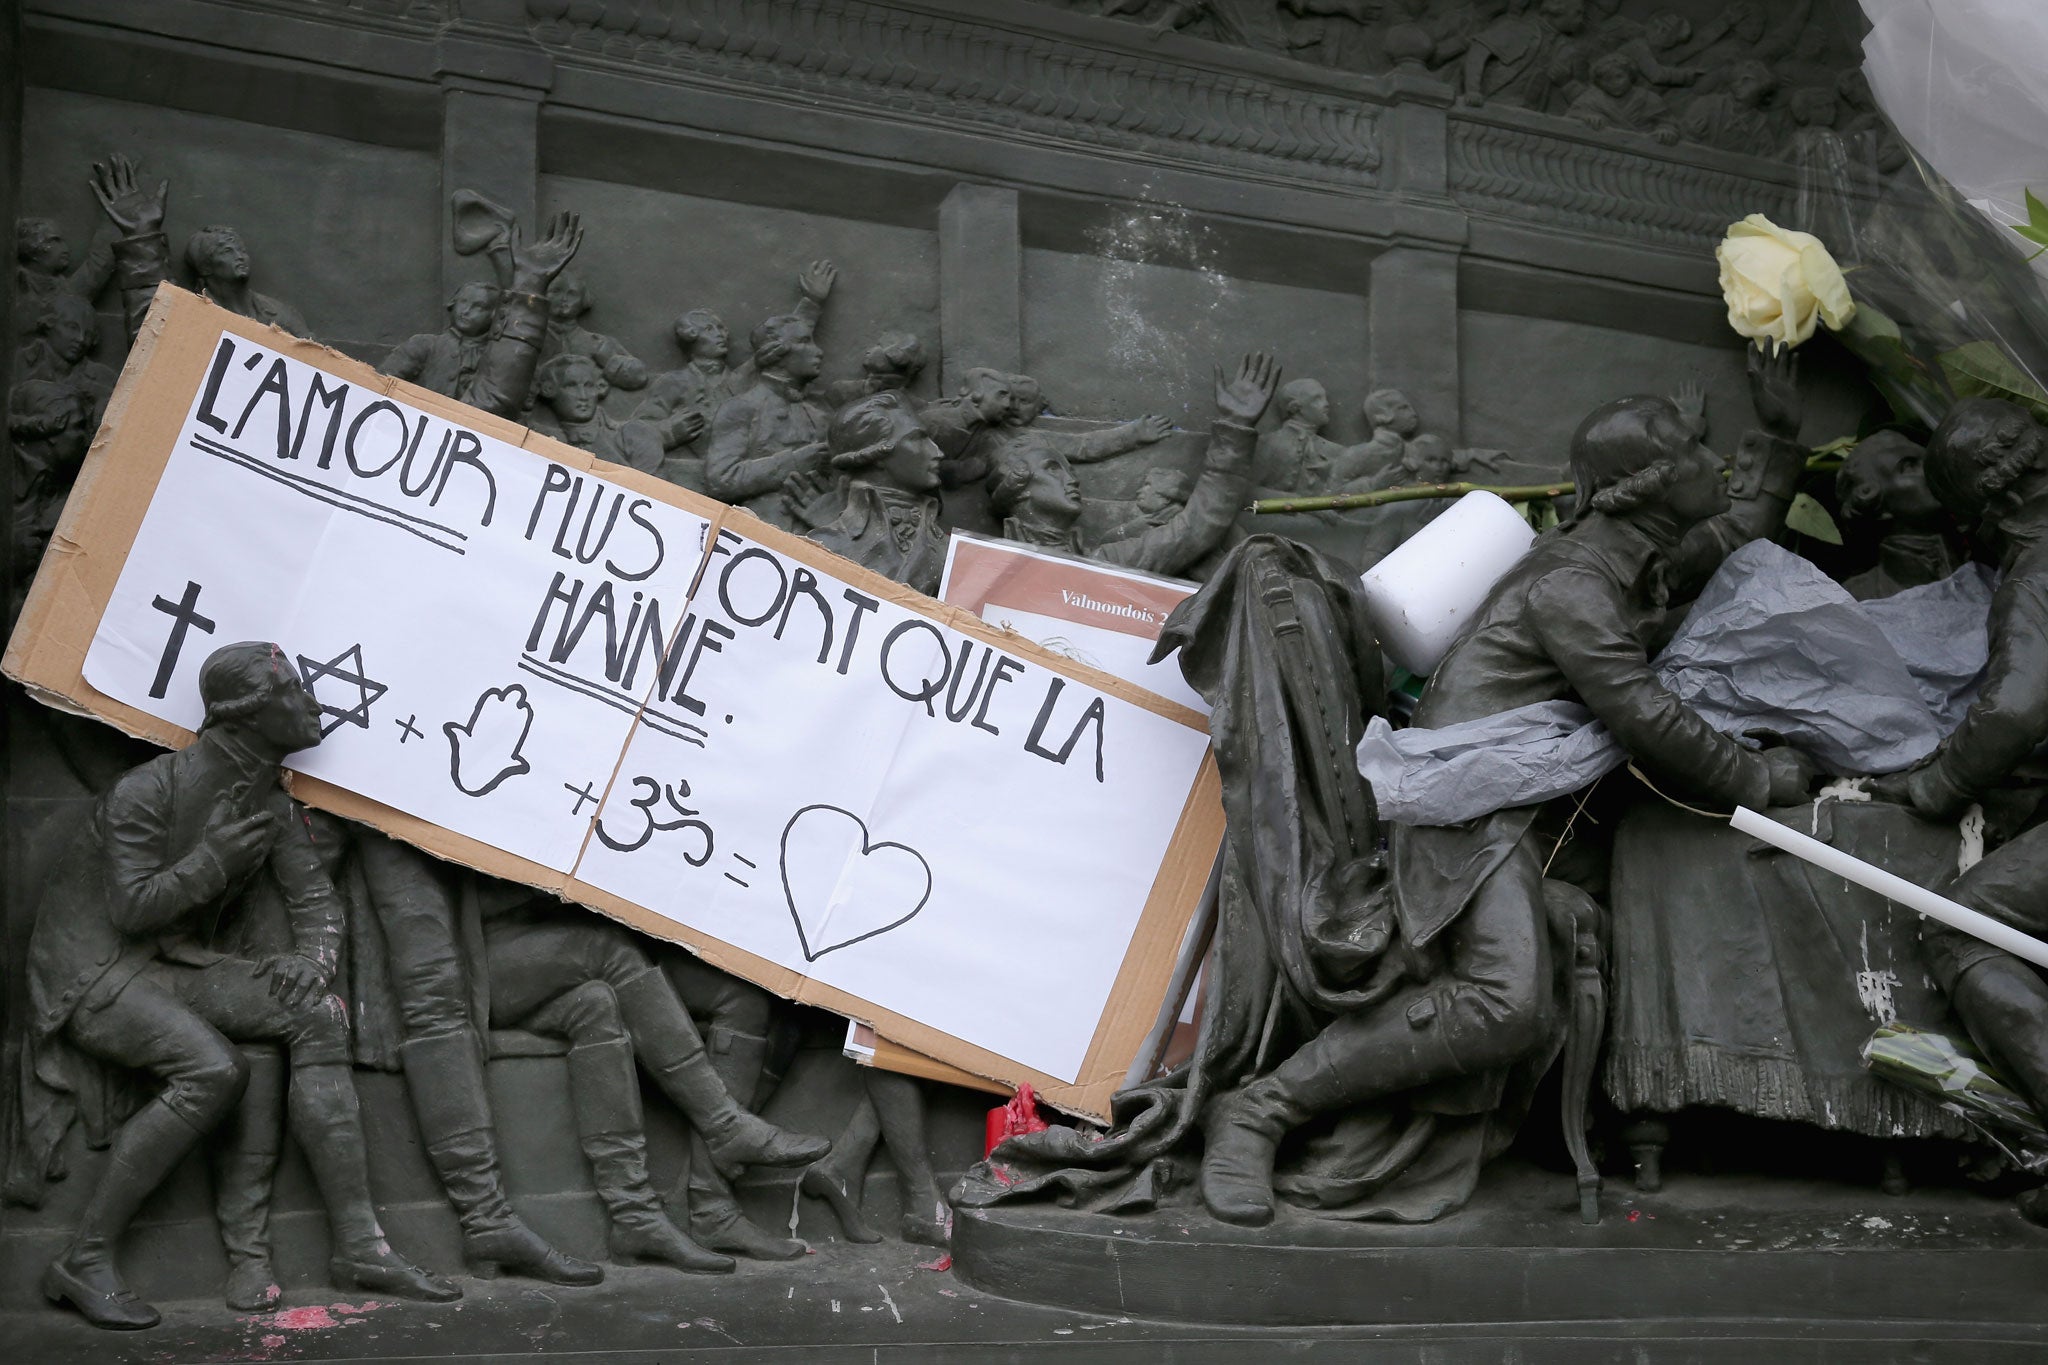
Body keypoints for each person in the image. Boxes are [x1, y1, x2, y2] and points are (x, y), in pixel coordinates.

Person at [1194, 342, 1817, 1225]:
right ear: (1642, 486)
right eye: (1689, 451)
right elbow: (1644, 717)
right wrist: (1762, 775)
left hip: (1537, 814)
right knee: (1507, 999)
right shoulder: (1573, 585)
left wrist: (1780, 437)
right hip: (1470, 807)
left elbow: (1733, 526)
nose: (1710, 463)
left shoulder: (1631, 561)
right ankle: (1259, 1110)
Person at [21, 644, 456, 1329]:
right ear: (246, 712)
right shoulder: (148, 790)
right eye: (293, 690)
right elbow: (129, 909)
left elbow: (315, 901)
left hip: (171, 963)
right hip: (93, 974)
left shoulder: (267, 801)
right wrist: (211, 861)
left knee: (313, 1012)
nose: (313, 701)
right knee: (213, 1068)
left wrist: (312, 961)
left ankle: (361, 1246)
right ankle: (85, 1256)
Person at [1867, 398, 2048, 1225]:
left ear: (1991, 509)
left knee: (1963, 926)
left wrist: (1936, 786)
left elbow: (2014, 712)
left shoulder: (2035, 574)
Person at [474, 890, 829, 1273]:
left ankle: (714, 1209)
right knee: (607, 957)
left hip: (587, 919)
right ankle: (721, 1129)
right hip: (487, 949)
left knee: (742, 997)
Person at [988, 353, 1276, 578]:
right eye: (1053, 468)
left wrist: (1235, 428)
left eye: (1070, 470)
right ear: (1019, 486)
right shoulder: (980, 562)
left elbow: (1196, 527)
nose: (1072, 480)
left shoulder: (1105, 562)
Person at [634, 260, 837, 459]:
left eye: (721, 328)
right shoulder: (674, 382)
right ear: (689, 335)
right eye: (708, 329)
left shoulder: (744, 380)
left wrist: (812, 303)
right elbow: (636, 432)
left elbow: (786, 344)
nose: (720, 334)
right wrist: (668, 433)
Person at [790, 391, 949, 593]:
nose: (937, 452)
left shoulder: (951, 550)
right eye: (917, 439)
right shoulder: (826, 542)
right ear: (877, 453)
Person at [704, 311, 833, 527]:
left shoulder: (819, 417)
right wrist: (793, 462)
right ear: (776, 353)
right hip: (757, 536)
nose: (818, 352)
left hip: (817, 536)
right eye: (804, 342)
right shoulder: (741, 407)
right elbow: (720, 479)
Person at [1834, 430, 1959, 600]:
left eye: (1928, 460)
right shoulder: (1860, 597)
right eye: (1908, 467)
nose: (1930, 471)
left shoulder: (1987, 543)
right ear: (1877, 505)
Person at [533, 352, 664, 473]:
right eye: (571, 386)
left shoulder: (635, 435)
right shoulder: (537, 436)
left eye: (589, 386)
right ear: (549, 390)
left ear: (600, 388)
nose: (583, 396)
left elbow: (653, 492)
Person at [379, 281, 502, 399]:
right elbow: (381, 382)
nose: (466, 311)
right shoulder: (424, 344)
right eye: (463, 302)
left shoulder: (498, 359)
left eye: (479, 307)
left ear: (493, 315)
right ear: (453, 303)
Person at [184, 224, 310, 337]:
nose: (239, 257)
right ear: (205, 267)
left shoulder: (281, 314)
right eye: (227, 252)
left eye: (241, 250)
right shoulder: (194, 317)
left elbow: (314, 354)